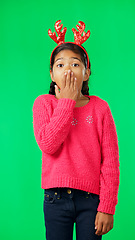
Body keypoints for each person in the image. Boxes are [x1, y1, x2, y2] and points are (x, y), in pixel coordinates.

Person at [32, 20, 120, 240]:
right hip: (55, 198)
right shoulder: (44, 103)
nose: (68, 69)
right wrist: (67, 102)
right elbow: (48, 145)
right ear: (52, 75)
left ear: (86, 72)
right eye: (60, 65)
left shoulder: (100, 108)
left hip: (91, 200)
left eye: (75, 64)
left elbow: (110, 161)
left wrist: (107, 206)